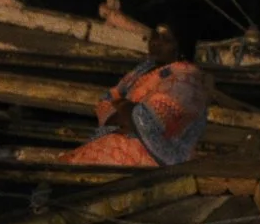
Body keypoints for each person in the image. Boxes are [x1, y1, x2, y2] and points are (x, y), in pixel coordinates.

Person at [56, 14, 211, 168]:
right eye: (155, 36)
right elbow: (107, 99)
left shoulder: (187, 80)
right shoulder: (144, 69)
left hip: (157, 160)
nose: (156, 43)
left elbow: (150, 122)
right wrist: (127, 110)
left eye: (166, 40)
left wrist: (126, 109)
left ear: (181, 46)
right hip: (123, 142)